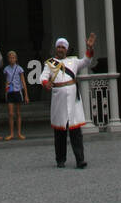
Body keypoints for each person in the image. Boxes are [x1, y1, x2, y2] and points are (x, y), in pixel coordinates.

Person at [40, 32, 96, 169]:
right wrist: (46, 83)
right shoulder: (50, 63)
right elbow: (43, 77)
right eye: (58, 47)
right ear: (56, 48)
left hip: (73, 101)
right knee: (60, 133)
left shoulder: (74, 61)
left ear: (66, 49)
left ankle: (80, 160)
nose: (60, 49)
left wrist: (89, 48)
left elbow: (86, 61)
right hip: (58, 100)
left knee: (76, 132)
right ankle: (60, 160)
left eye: (63, 47)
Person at [2, 50, 29, 139]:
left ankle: (19, 133)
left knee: (18, 113)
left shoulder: (19, 69)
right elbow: (6, 81)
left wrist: (26, 95)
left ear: (16, 59)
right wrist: (6, 91)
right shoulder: (6, 69)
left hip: (17, 91)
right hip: (10, 92)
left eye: (13, 58)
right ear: (8, 59)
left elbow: (23, 82)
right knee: (10, 113)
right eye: (10, 58)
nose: (12, 59)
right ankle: (11, 133)